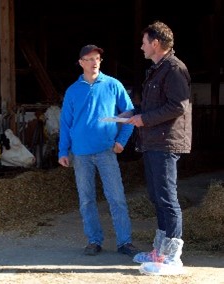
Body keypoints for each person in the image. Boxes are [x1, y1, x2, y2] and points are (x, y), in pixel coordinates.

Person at [58, 44, 139, 257]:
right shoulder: (73, 91)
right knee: (86, 199)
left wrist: (122, 140)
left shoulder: (113, 85)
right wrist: (62, 151)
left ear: (100, 61)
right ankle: (94, 240)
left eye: (97, 58)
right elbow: (65, 123)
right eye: (89, 59)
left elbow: (129, 113)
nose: (93, 62)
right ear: (81, 63)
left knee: (116, 197)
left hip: (106, 151)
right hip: (81, 153)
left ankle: (125, 241)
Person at [125, 21, 192, 275]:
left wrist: (145, 119)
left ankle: (173, 257)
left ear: (155, 43)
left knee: (167, 198)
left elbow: (178, 106)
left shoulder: (174, 69)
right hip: (153, 140)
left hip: (165, 141)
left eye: (144, 42)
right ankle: (160, 252)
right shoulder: (157, 70)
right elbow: (155, 106)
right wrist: (134, 112)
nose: (141, 47)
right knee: (156, 196)